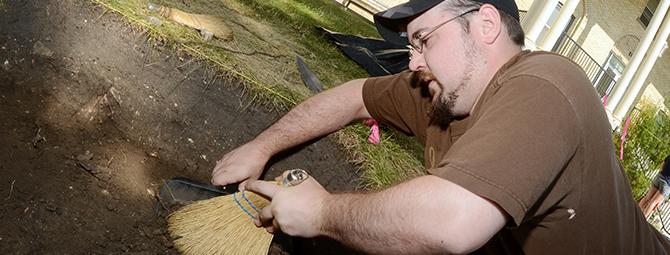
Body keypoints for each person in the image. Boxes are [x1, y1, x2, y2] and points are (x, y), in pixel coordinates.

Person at [212, 0, 670, 253]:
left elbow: (452, 221)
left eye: (424, 40)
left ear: (485, 24)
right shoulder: (442, 92)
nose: (413, 61)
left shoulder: (546, 86)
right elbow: (355, 95)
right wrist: (261, 145)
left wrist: (321, 213)